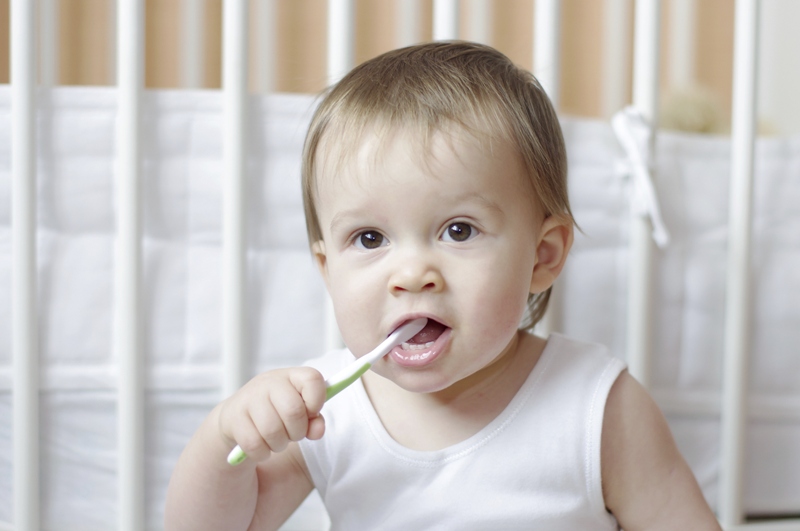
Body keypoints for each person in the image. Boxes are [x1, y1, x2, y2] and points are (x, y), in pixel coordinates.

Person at [165, 41, 721, 530]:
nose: (411, 275)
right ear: (326, 270)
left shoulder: (599, 405)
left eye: (458, 230)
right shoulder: (327, 410)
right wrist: (223, 440)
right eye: (369, 238)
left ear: (542, 257)